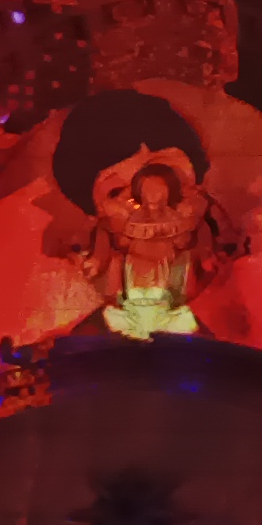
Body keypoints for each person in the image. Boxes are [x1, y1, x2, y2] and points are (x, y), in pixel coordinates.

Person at [46, 91, 245, 342]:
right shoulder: (109, 239)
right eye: (119, 191)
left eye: (169, 179)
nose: (146, 199)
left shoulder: (197, 234)